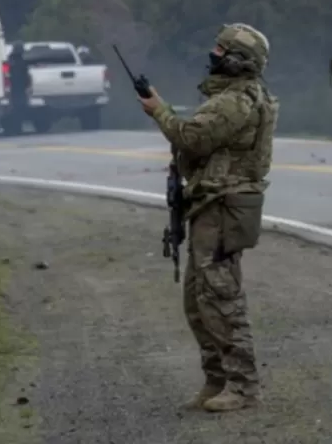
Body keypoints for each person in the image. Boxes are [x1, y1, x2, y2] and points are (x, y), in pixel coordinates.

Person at [138, 23, 280, 413]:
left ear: (237, 59)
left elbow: (193, 138)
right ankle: (217, 378)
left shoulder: (238, 100)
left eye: (221, 49)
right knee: (198, 299)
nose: (213, 54)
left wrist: (159, 112)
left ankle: (243, 384)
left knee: (220, 296)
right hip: (211, 204)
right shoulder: (232, 97)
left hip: (224, 206)